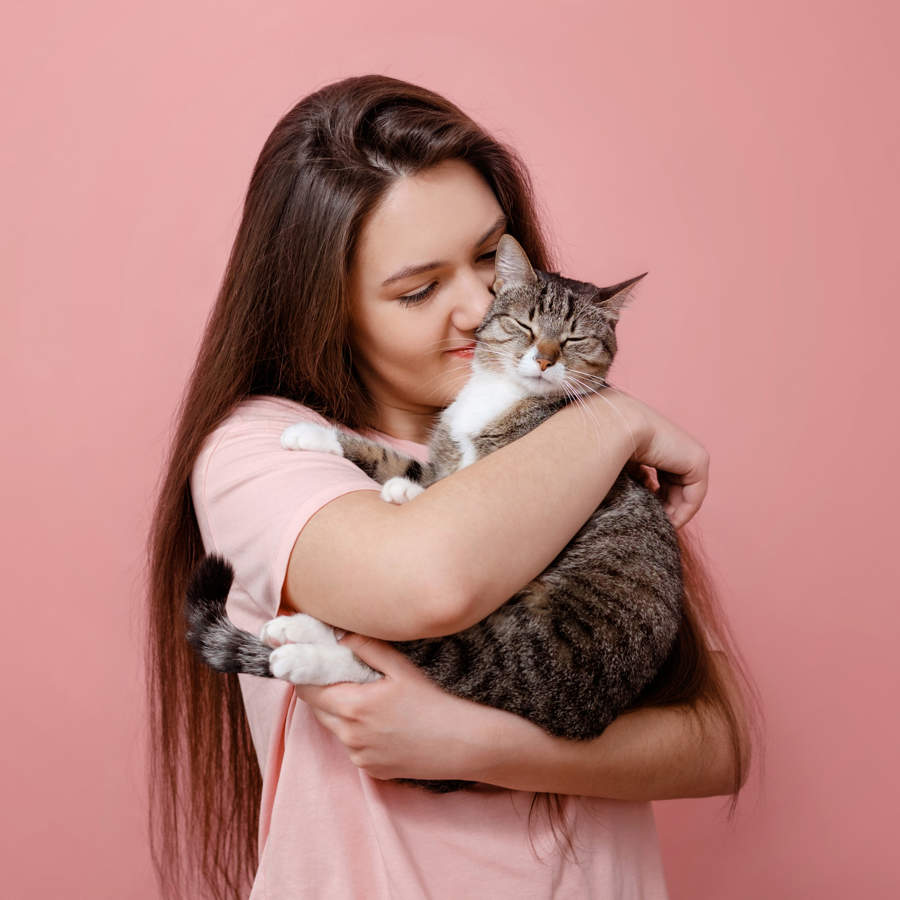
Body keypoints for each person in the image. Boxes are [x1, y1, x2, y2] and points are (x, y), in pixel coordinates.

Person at [146, 74, 758, 899]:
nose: (481, 304)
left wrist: (476, 745)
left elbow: (718, 738)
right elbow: (427, 582)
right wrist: (616, 423)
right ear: (326, 307)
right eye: (420, 289)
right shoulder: (263, 451)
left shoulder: (557, 434)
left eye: (490, 256)